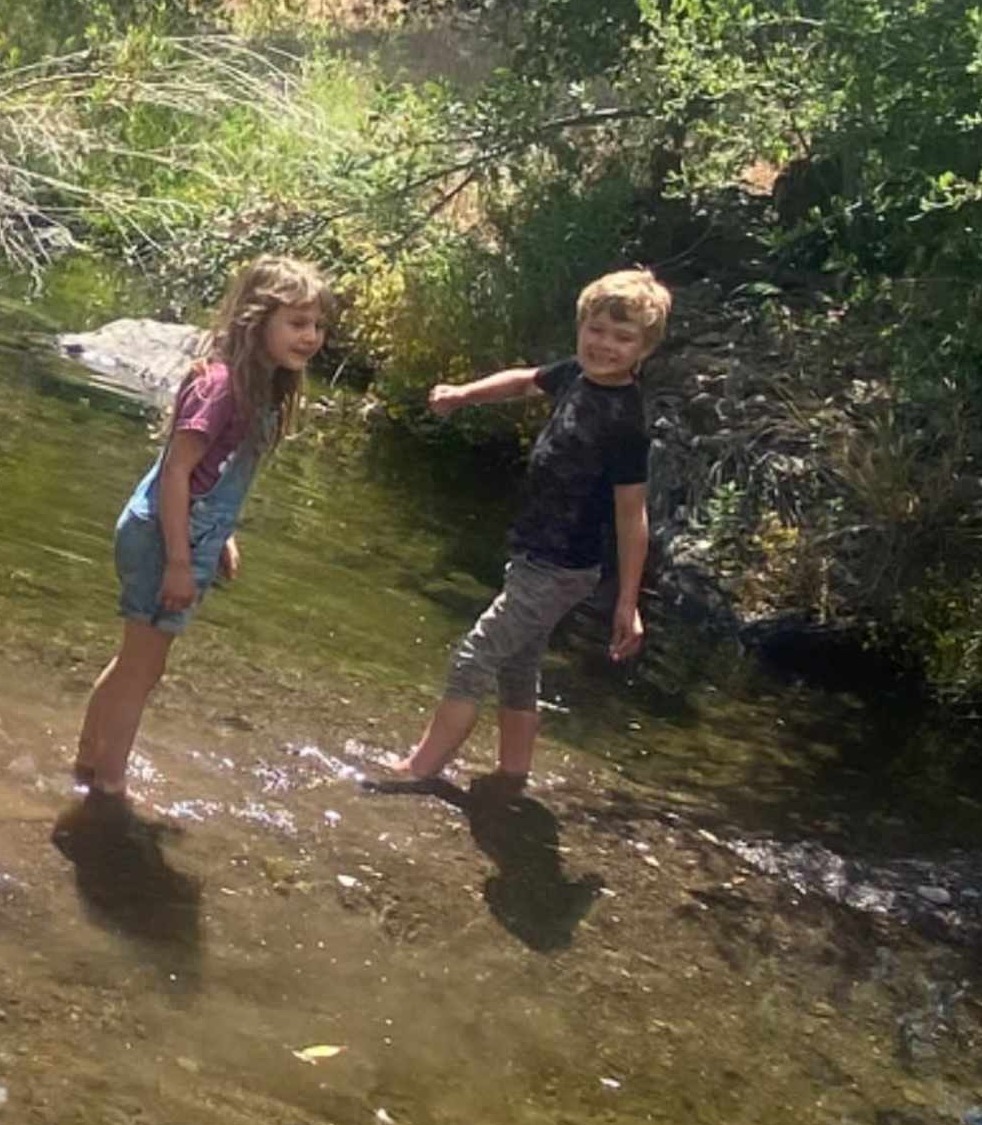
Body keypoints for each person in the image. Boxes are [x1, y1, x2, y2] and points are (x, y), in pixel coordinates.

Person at [376, 266, 672, 794]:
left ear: (644, 349)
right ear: (581, 327)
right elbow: (522, 379)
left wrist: (628, 602)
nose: (604, 345)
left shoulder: (626, 423)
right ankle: (512, 774)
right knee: (519, 663)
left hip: (564, 565)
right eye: (596, 330)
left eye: (622, 338)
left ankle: (419, 770)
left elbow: (632, 515)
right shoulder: (575, 376)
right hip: (534, 554)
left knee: (476, 655)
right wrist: (462, 395)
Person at [71, 251, 333, 798]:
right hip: (161, 540)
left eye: (317, 325)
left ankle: (89, 763)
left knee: (135, 663)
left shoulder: (259, 385)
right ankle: (110, 784)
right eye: (298, 323)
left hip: (182, 537)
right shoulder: (220, 387)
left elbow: (212, 476)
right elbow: (176, 472)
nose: (311, 336)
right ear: (255, 321)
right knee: (142, 670)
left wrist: (224, 538)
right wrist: (181, 563)